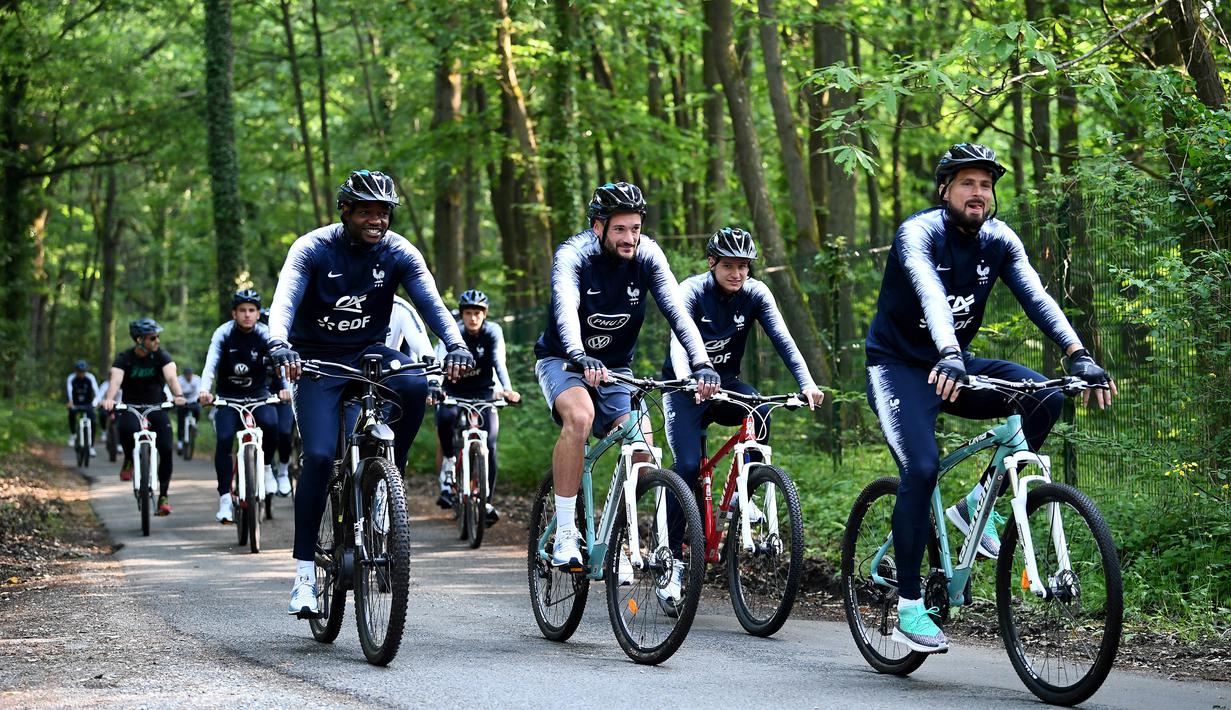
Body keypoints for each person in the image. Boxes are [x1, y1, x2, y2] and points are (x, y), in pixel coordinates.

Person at [864, 143, 1117, 654]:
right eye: (967, 183)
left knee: (1044, 396)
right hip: (899, 368)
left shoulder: (999, 240)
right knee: (921, 468)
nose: (978, 193)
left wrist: (1078, 355)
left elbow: (1036, 296)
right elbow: (931, 296)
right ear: (945, 190)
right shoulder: (919, 233)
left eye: (985, 184)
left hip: (952, 362)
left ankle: (981, 504)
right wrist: (949, 352)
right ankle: (911, 605)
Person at [267, 169, 475, 617]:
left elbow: (431, 303)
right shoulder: (312, 248)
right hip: (318, 361)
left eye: (383, 213)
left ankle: (387, 479)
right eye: (366, 212)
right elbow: (284, 300)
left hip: (370, 356)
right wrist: (278, 342)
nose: (376, 220)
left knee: (415, 380)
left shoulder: (399, 251)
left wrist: (456, 344)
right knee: (321, 457)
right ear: (346, 212)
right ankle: (304, 575)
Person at [533, 180, 719, 611]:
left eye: (635, 228)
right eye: (620, 229)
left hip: (616, 369)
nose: (630, 238)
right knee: (578, 418)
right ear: (598, 227)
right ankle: (564, 532)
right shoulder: (573, 255)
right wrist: (580, 357)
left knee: (642, 446)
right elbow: (564, 308)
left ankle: (624, 532)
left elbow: (678, 312)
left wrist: (702, 363)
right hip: (564, 361)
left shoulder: (648, 255)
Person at [661, 227, 825, 542]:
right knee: (687, 466)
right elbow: (678, 343)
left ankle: (741, 497)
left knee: (760, 408)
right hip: (684, 388)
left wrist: (807, 383)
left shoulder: (756, 292)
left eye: (744, 266)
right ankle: (672, 554)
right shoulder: (691, 291)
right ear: (711, 262)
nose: (737, 273)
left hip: (726, 385)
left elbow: (783, 341)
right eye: (728, 265)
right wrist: (690, 379)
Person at [198, 289, 291, 524]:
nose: (247, 315)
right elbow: (211, 364)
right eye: (242, 310)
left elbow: (279, 365)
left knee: (271, 424)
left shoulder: (265, 334)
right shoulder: (224, 333)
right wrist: (204, 390)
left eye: (252, 310)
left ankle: (268, 467)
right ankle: (225, 500)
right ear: (234, 313)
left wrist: (284, 387)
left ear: (258, 314)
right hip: (228, 398)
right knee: (224, 438)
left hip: (259, 395)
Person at [432, 289, 520, 524]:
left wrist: (507, 389)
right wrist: (436, 388)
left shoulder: (493, 332)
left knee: (489, 444)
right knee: (445, 418)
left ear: (485, 315)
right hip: (453, 391)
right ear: (461, 315)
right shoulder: (453, 332)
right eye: (468, 313)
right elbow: (440, 359)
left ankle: (486, 501)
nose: (473, 318)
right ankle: (450, 463)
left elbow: (498, 361)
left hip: (484, 392)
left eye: (478, 313)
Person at [100, 319, 189, 516]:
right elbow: (115, 381)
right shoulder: (124, 358)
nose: (157, 341)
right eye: (152, 338)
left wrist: (179, 396)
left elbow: (172, 378)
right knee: (125, 429)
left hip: (156, 406)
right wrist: (108, 399)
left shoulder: (161, 356)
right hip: (131, 406)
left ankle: (163, 496)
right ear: (139, 340)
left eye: (158, 337)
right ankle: (130, 459)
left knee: (166, 448)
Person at [260, 308, 297, 492]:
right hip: (259, 395)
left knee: (284, 433)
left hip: (281, 393)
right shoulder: (254, 341)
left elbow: (286, 372)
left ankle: (283, 470)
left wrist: (286, 390)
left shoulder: (284, 343)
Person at [65, 360, 101, 457]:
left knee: (93, 421)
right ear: (76, 371)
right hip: (75, 403)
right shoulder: (71, 378)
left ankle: (91, 447)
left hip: (88, 403)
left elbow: (97, 392)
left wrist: (95, 403)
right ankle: (73, 434)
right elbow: (69, 391)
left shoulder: (90, 377)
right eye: (79, 371)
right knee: (71, 413)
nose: (81, 374)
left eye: (83, 371)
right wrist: (70, 402)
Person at [176, 366, 202, 454]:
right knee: (180, 422)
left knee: (198, 409)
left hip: (193, 401)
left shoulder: (197, 380)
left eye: (190, 375)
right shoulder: (179, 380)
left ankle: (196, 425)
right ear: (184, 375)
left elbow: (199, 391)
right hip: (183, 402)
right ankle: (180, 444)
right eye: (187, 375)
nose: (188, 377)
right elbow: (176, 391)